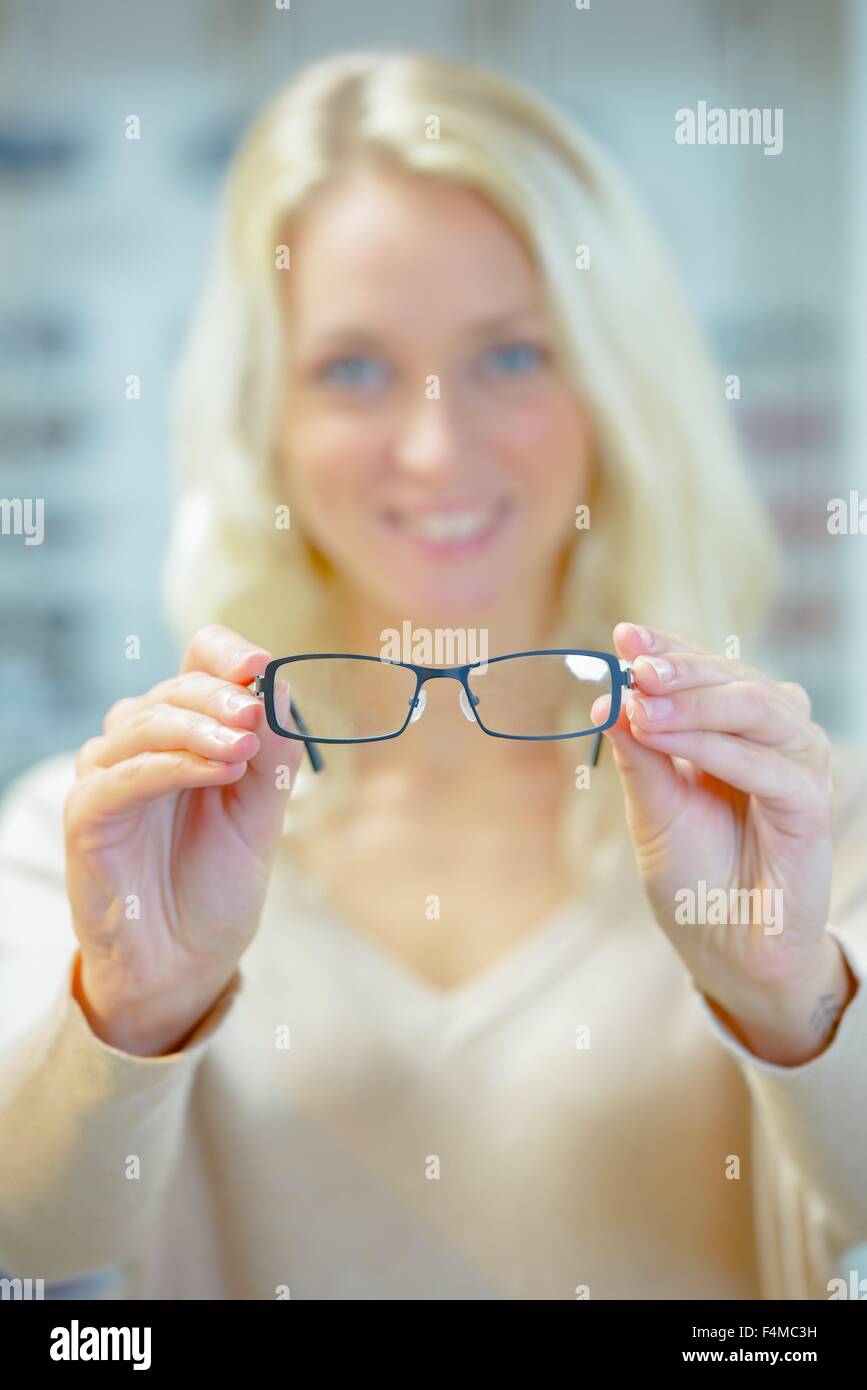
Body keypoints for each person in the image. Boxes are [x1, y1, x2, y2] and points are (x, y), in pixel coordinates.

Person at [1, 50, 866, 1302]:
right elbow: (30, 1235)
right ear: (267, 422)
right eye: (353, 369)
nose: (433, 443)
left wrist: (793, 1000)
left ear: (611, 387)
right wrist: (129, 1012)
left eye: (510, 356)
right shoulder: (100, 842)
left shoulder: (806, 821)